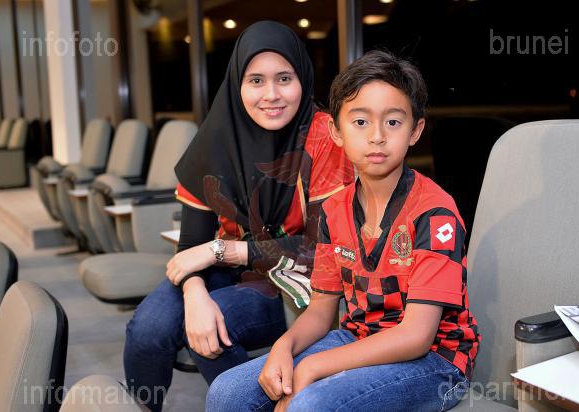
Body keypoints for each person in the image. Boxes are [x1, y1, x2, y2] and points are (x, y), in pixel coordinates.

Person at [205, 50, 481, 412]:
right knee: (227, 392)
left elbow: (417, 336)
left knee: (311, 403)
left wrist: (314, 366)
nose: (377, 137)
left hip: (435, 361)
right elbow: (321, 311)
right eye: (361, 122)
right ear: (336, 131)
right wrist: (284, 346)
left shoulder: (435, 213)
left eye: (393, 122)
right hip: (358, 337)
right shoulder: (334, 210)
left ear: (415, 131)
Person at [123, 21, 354, 411]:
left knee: (218, 326)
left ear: (302, 78)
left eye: (284, 79)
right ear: (237, 83)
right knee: (147, 328)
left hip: (299, 283)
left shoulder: (324, 138)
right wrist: (195, 295)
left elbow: (320, 249)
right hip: (226, 271)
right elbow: (191, 246)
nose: (271, 95)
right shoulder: (217, 136)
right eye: (256, 81)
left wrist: (224, 251)